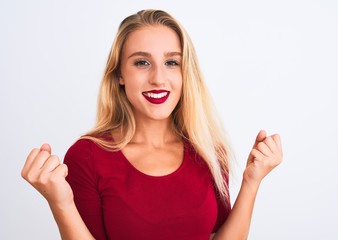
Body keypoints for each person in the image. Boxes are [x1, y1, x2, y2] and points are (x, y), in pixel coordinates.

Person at [21, 9, 283, 240]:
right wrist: (61, 203)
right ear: (119, 74)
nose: (159, 78)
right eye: (142, 62)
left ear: (185, 73)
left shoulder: (210, 152)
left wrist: (251, 182)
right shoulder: (87, 157)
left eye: (171, 62)